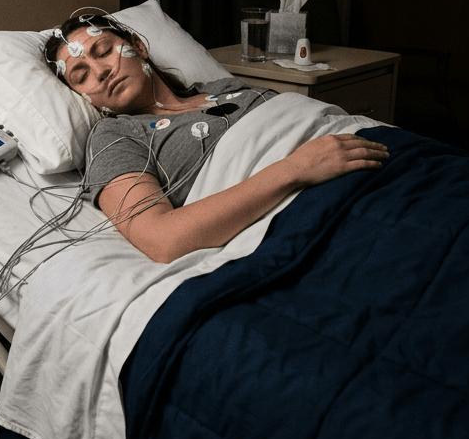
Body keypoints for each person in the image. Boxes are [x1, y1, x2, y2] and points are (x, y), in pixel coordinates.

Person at [44, 14, 389, 264]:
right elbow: (162, 238)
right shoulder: (115, 137)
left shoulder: (225, 89)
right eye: (81, 75)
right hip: (322, 204)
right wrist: (295, 168)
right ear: (82, 96)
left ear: (138, 46)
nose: (101, 71)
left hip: (378, 154)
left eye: (103, 51)